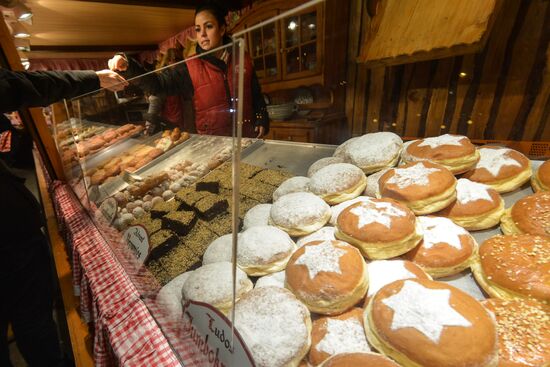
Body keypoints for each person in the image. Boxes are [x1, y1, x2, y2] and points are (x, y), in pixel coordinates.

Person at [0, 67, 125, 367]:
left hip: (13, 230)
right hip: (11, 237)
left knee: (32, 322)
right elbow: (25, 85)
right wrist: (94, 78)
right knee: (34, 321)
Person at [108, 1, 269, 138]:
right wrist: (128, 64)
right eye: (198, 29)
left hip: (246, 137)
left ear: (221, 29)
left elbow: (255, 94)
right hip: (214, 145)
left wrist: (261, 118)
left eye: (209, 26)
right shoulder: (190, 67)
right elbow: (157, 84)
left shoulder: (243, 58)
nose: (203, 34)